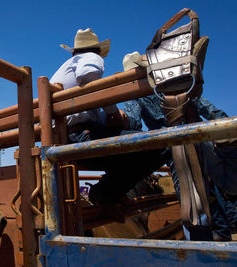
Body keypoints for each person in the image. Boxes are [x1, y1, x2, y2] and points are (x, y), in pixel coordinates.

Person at [122, 51, 237, 241]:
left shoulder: (135, 94)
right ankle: (226, 230)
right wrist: (223, 125)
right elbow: (205, 107)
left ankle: (206, 243)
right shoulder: (169, 82)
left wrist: (120, 119)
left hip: (175, 146)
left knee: (189, 195)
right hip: (200, 136)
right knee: (214, 186)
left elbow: (134, 122)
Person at [50, 29, 171, 206]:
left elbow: (84, 106)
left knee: (130, 139)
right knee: (163, 146)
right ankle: (103, 193)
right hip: (79, 138)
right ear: (97, 50)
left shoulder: (66, 68)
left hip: (64, 138)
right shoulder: (90, 57)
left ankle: (108, 193)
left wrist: (108, 116)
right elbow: (88, 78)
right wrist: (112, 112)